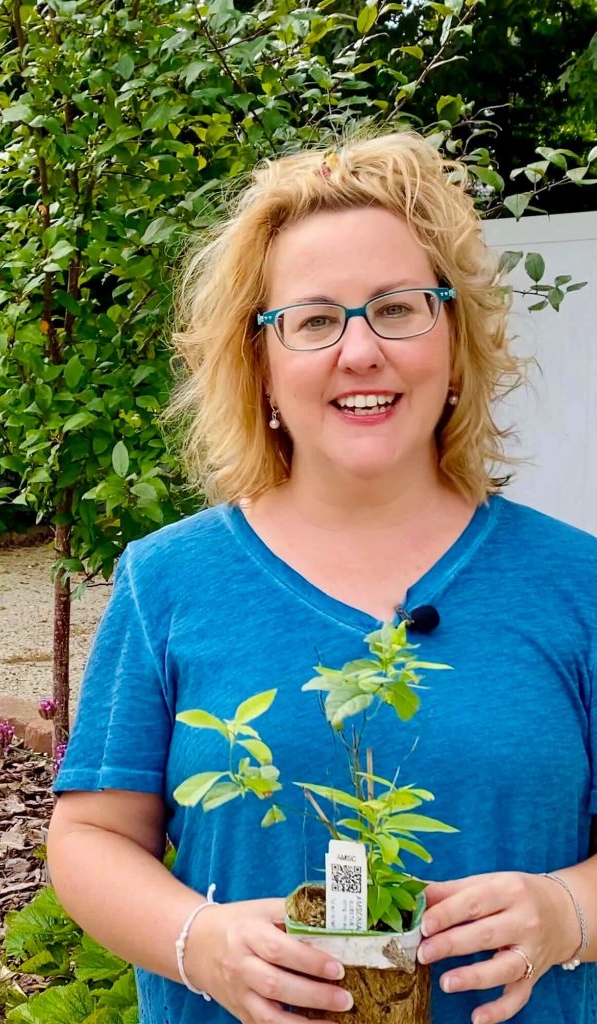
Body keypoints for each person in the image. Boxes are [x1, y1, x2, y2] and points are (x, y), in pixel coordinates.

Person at [47, 130, 597, 1024]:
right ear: (259, 364)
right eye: (312, 320)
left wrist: (568, 913)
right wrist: (203, 942)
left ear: (453, 340)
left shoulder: (579, 586)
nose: (360, 350)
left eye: (398, 307)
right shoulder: (168, 582)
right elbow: (90, 839)